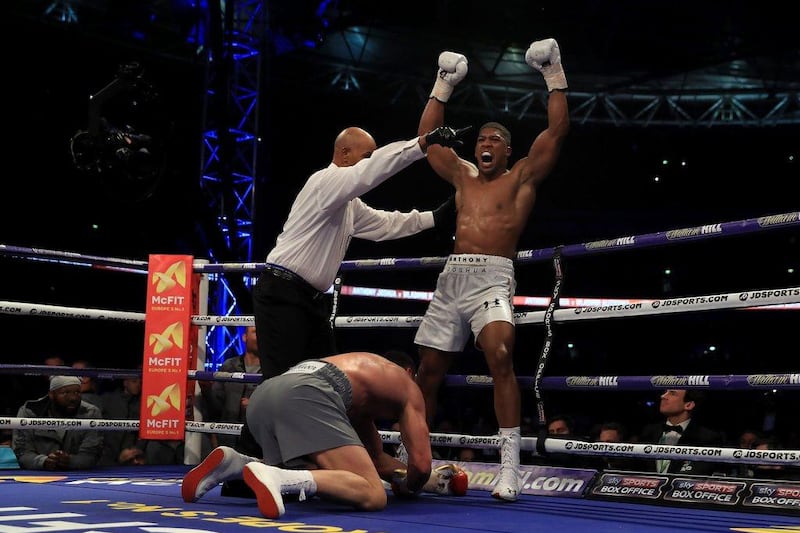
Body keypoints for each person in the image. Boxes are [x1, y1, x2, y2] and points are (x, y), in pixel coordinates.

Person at [413, 38, 570, 502]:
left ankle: (510, 468)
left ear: (507, 151)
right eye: (480, 138)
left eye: (494, 140)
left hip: (494, 276)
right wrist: (442, 86)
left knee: (500, 355)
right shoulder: (461, 175)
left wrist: (553, 73)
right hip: (452, 276)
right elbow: (427, 142)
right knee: (427, 372)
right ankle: (415, 461)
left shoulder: (521, 177)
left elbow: (557, 132)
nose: (485, 144)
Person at [181, 351, 467, 518]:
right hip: (307, 394)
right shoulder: (408, 387)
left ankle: (235, 463)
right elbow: (420, 463)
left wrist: (424, 478)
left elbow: (376, 461)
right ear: (408, 371)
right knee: (372, 494)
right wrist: (413, 484)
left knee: (323, 472)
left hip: (267, 394)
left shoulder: (360, 384)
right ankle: (277, 477)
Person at [12, 375, 103, 470]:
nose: (73, 398)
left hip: (79, 474)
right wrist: (43, 462)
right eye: (65, 392)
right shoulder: (30, 411)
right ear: (51, 394)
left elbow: (92, 454)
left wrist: (70, 461)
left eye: (77, 392)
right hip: (38, 475)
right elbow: (22, 451)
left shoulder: (90, 413)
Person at [637, 389, 725, 475]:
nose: (663, 396)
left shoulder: (707, 438)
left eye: (672, 393)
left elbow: (698, 473)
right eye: (665, 392)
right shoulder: (648, 431)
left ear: (689, 405)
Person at [200, 326, 260, 449]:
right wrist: (206, 391)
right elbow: (216, 407)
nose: (260, 336)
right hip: (228, 440)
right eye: (255, 332)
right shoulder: (229, 366)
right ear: (244, 337)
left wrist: (256, 407)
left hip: (257, 441)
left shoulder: (271, 370)